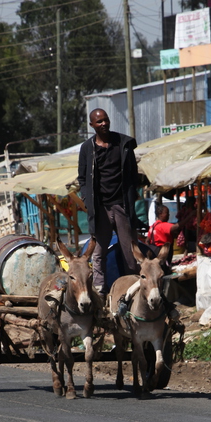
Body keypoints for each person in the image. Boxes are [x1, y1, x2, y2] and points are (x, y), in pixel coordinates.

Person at [76, 108, 139, 297]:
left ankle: (134, 289)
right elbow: (82, 178)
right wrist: (88, 200)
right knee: (98, 253)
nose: (104, 124)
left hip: (121, 206)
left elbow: (133, 174)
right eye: (99, 122)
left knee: (130, 251)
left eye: (106, 120)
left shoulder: (124, 143)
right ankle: (99, 293)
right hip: (100, 208)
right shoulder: (87, 148)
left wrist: (131, 196)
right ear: (92, 125)